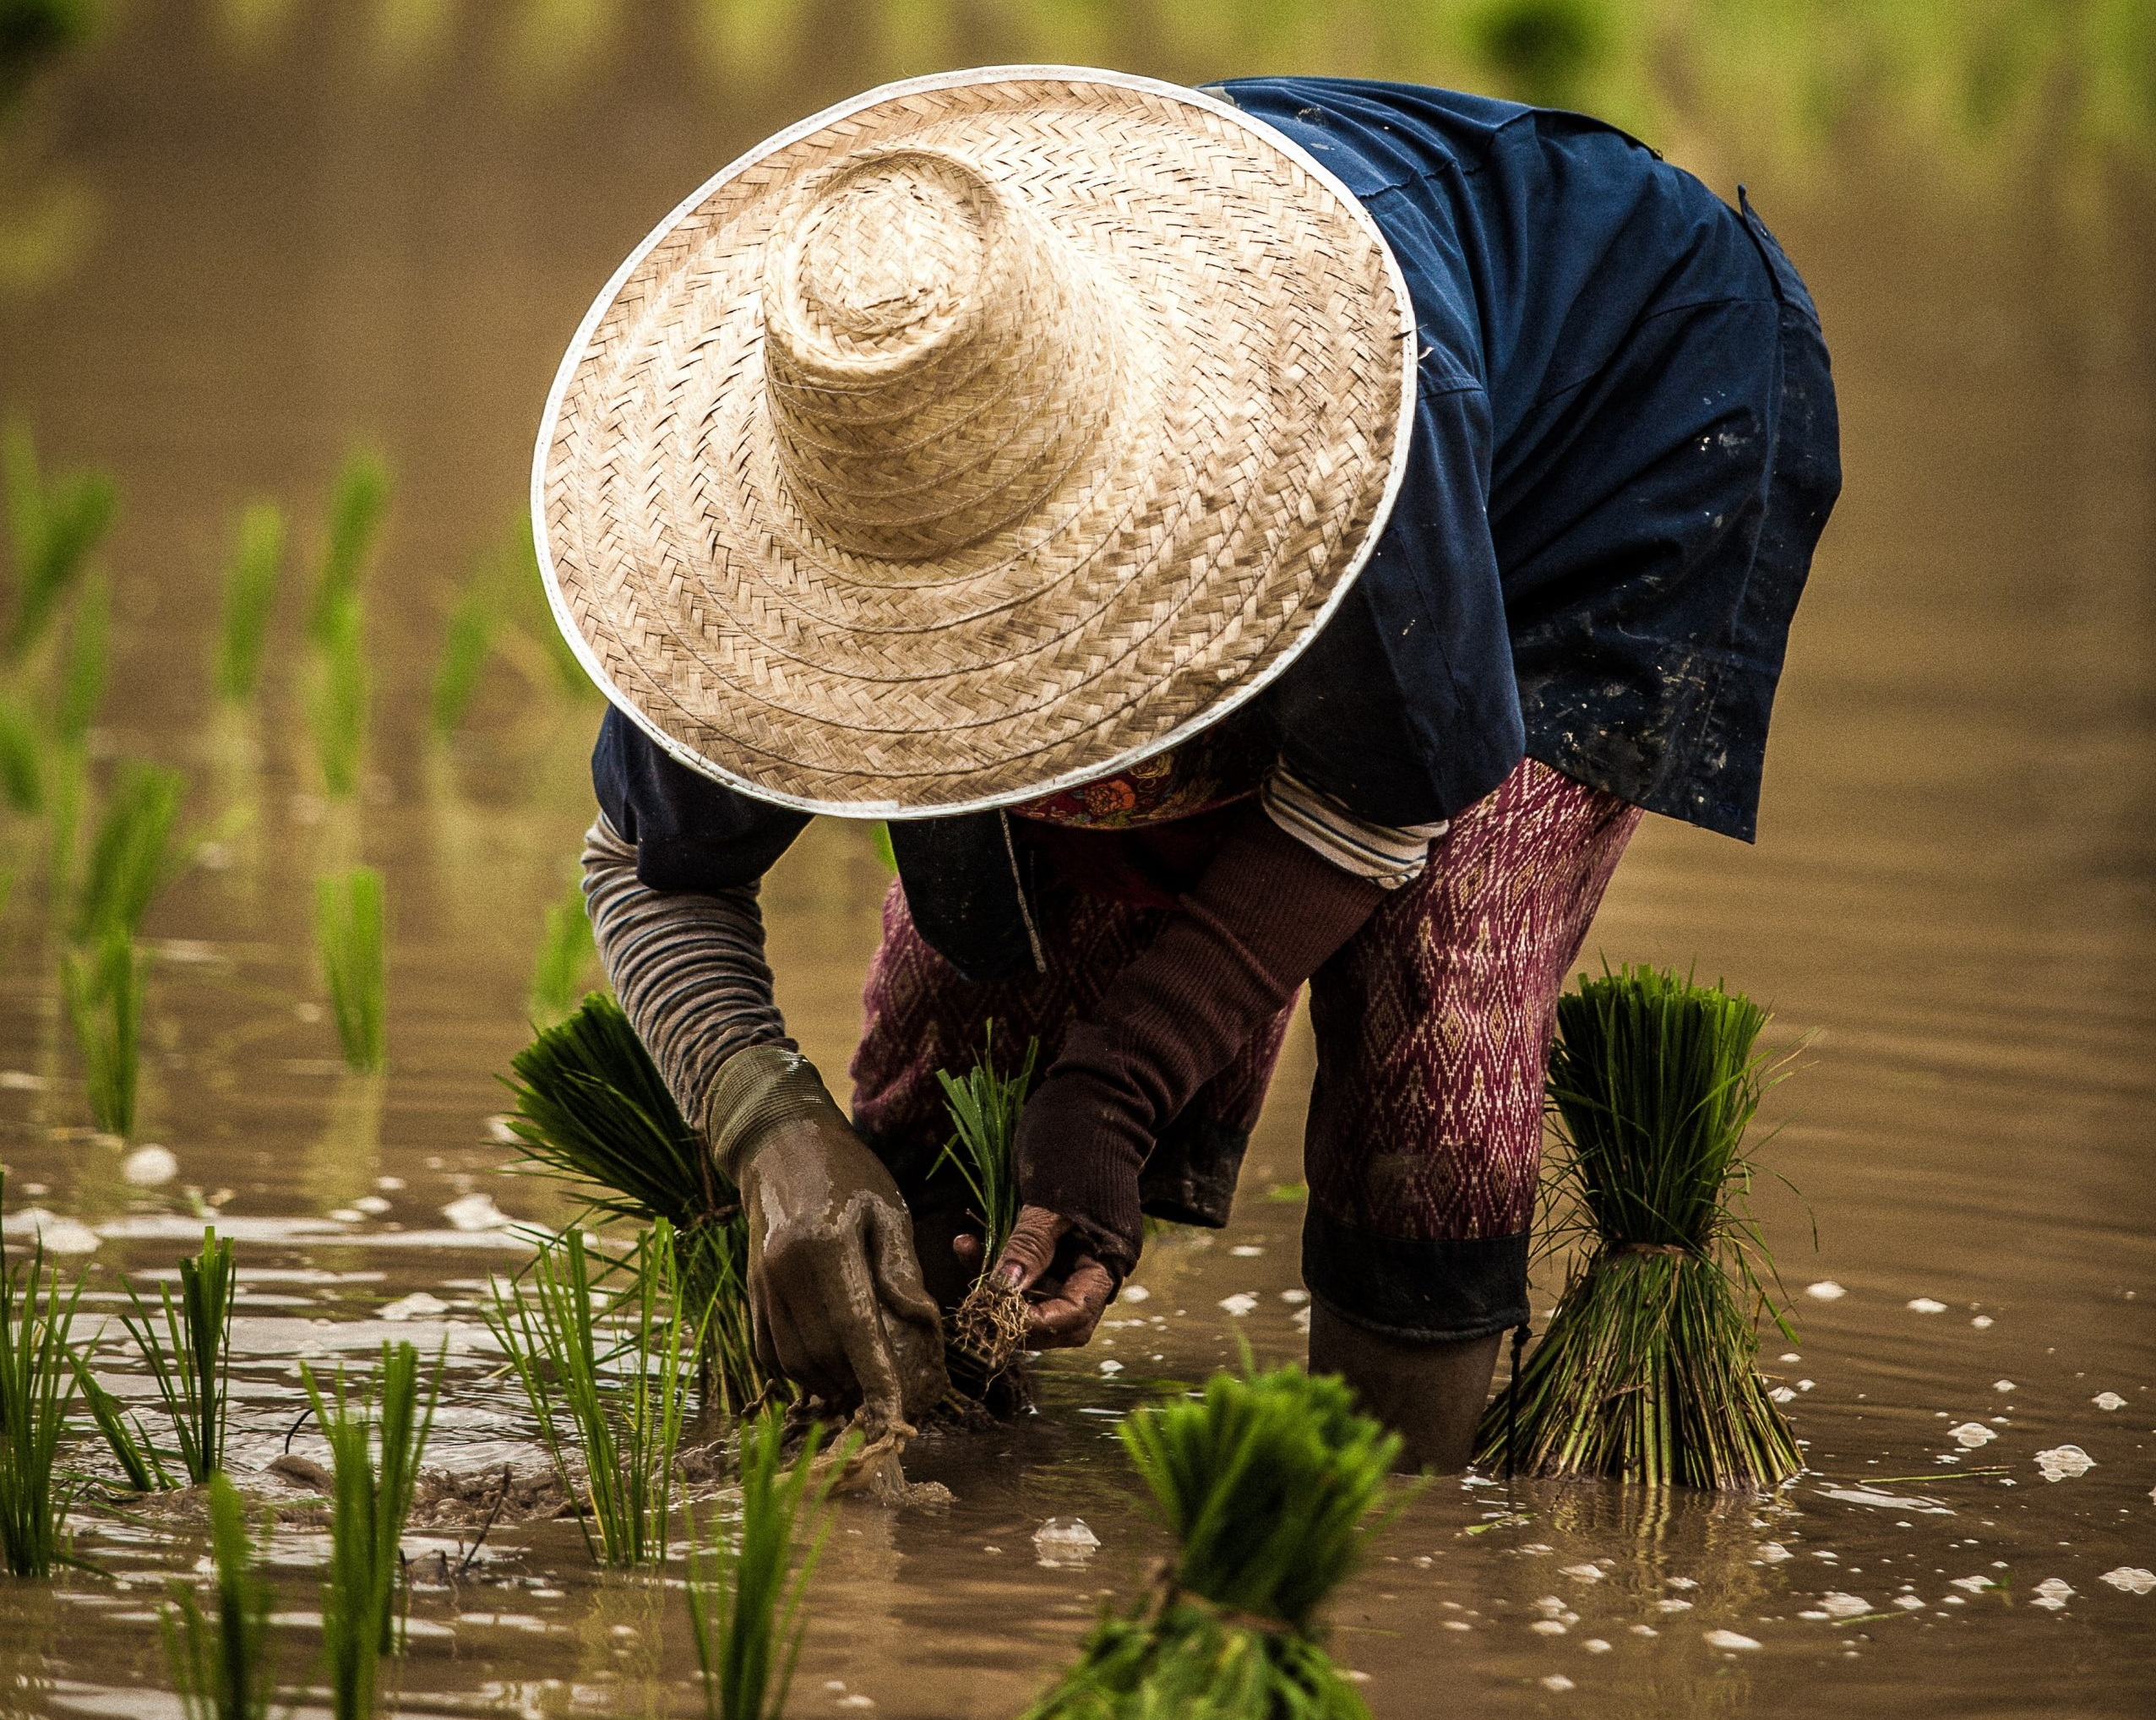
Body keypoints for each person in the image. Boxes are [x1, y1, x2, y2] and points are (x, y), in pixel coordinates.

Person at [534, 68, 1839, 1471]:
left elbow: (1388, 790)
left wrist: (1124, 1085)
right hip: (1203, 398)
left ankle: (1379, 1540)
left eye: (1018, 618)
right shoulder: (777, 520)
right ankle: (936, 1461)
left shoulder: (1337, 444)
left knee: (1438, 1007)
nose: (978, 666)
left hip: (1615, 409)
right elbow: (645, 867)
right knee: (981, 1008)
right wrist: (771, 1134)